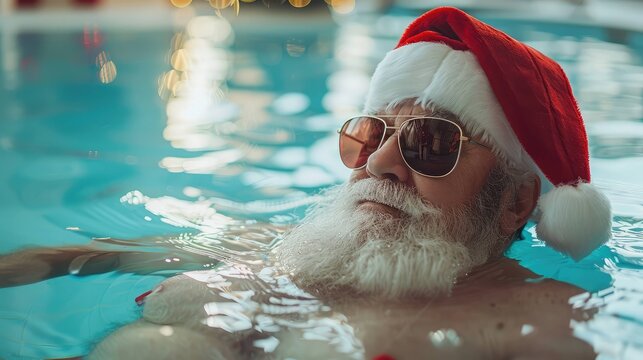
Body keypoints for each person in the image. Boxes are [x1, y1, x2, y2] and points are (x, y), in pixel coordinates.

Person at [0, 7, 612, 359]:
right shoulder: (273, 244)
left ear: (515, 203)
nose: (378, 165)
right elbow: (73, 258)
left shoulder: (542, 320)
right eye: (372, 135)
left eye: (431, 143)